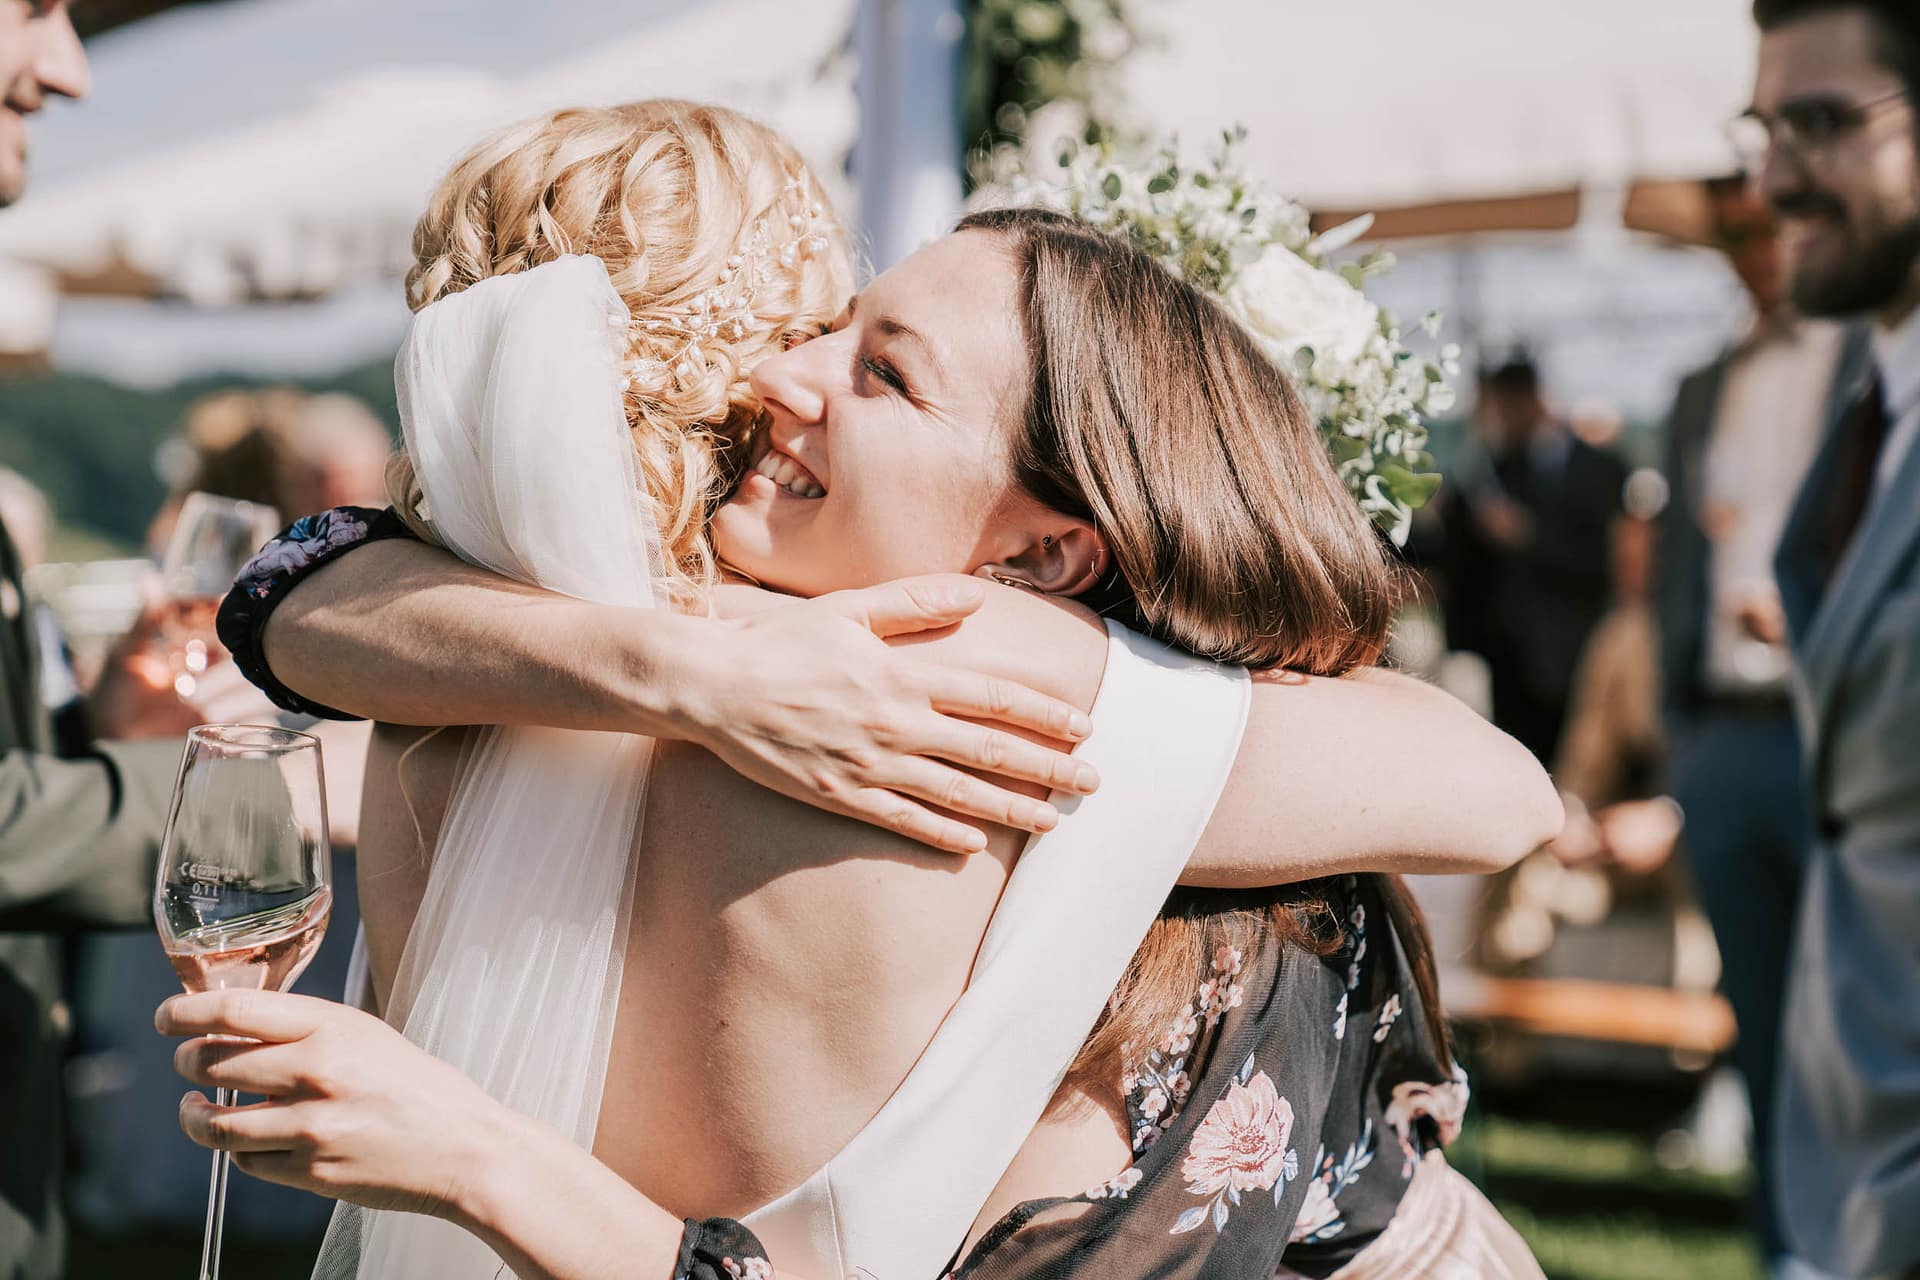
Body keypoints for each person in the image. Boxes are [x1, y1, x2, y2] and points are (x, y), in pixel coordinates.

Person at [187, 104, 1555, 1277]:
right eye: (827, 329)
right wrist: (698, 661)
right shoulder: (671, 670)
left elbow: (1502, 797)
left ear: (1046, 555)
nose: (775, 377)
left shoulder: (981, 697)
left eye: (881, 371)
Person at [0, 35, 1114, 1280]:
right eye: (818, 330)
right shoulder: (902, 680)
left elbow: (291, 584)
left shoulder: (430, 678)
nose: (805, 377)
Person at [1743, 2, 1920, 1276]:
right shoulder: (1871, 404)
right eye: (1762, 127)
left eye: (1820, 122)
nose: (1772, 179)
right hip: (1843, 1164)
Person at [1655, 172, 1853, 1266]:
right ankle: (1790, 1252)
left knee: (1859, 1027)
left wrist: (1814, 622)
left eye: (1767, 223)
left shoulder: (1880, 366)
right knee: (1763, 1019)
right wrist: (1677, 733)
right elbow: (1674, 572)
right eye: (1731, 231)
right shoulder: (1702, 387)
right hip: (1723, 735)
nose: (1755, 249)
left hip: (1843, 732)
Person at [1439, 356, 1629, 764]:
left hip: (1575, 653)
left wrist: (1528, 537)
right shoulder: (1493, 469)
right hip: (1509, 659)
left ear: (1530, 400)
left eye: (1503, 409)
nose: (1499, 422)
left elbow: (1606, 560)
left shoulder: (1599, 468)